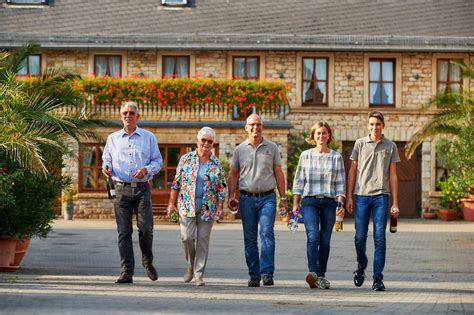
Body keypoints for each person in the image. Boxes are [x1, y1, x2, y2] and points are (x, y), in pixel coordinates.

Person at [102, 101, 163, 284]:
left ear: (138, 116)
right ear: (121, 116)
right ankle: (127, 272)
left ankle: (148, 262)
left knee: (146, 230)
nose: (128, 116)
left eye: (131, 113)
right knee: (123, 232)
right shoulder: (112, 139)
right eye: (125, 113)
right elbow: (107, 159)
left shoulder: (148, 137)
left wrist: (146, 169)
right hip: (120, 189)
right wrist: (106, 167)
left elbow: (158, 162)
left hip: (142, 189)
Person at [227, 114, 287, 287]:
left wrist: (283, 198)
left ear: (263, 127)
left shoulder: (272, 147)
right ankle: (254, 274)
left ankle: (267, 273)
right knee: (250, 237)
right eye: (252, 125)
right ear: (246, 128)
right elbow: (233, 174)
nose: (256, 127)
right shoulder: (240, 150)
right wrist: (231, 196)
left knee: (267, 233)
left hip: (268, 197)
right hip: (246, 198)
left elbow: (279, 173)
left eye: (259, 124)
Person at [347, 111, 400, 292]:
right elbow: (352, 171)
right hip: (361, 195)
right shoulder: (359, 144)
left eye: (377, 124)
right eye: (371, 124)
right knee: (359, 237)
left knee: (380, 237)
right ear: (367, 125)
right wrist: (349, 195)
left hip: (381, 196)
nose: (374, 127)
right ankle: (361, 266)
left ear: (383, 126)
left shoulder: (391, 146)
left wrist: (395, 203)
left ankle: (378, 278)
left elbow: (393, 175)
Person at [167, 127, 226, 286]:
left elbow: (221, 187)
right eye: (203, 140)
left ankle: (199, 274)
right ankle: (190, 265)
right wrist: (171, 204)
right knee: (186, 237)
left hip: (208, 207)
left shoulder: (216, 163)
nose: (206, 143)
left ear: (213, 144)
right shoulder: (186, 159)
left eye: (210, 141)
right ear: (197, 141)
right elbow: (176, 183)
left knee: (203, 241)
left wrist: (220, 206)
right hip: (187, 205)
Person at [292, 122, 346, 289]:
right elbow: (299, 180)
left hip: (330, 202)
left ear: (329, 136)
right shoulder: (305, 155)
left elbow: (340, 183)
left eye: (324, 133)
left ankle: (321, 276)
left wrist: (340, 203)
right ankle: (313, 273)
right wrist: (295, 203)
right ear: (313, 136)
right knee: (313, 236)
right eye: (318, 133)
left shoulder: (336, 157)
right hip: (309, 201)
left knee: (325, 240)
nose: (321, 136)